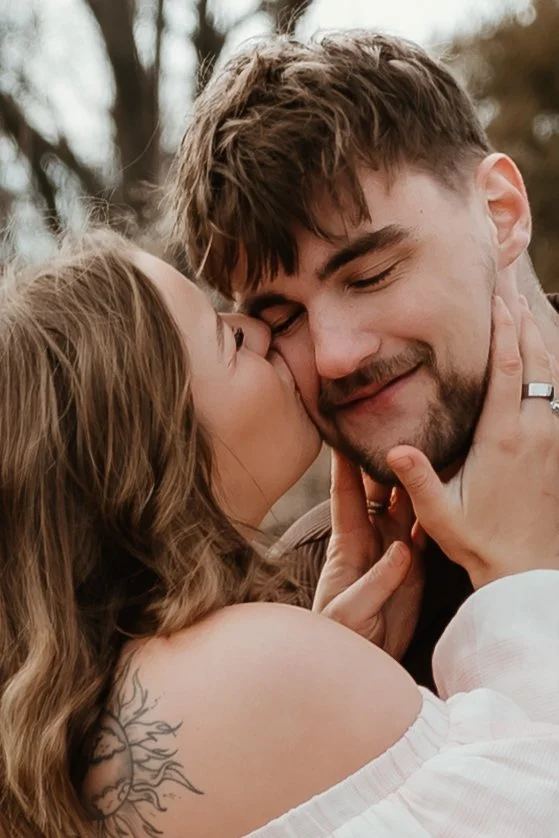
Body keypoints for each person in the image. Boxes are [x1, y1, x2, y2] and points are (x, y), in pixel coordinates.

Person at [2, 227, 559, 838]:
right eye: (227, 338)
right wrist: (519, 572)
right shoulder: (251, 668)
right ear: (149, 448)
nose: (262, 332)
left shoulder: (64, 727)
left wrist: (343, 675)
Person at [170, 30, 559, 687]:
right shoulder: (303, 610)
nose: (334, 357)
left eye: (371, 275)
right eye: (282, 318)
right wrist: (342, 708)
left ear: (500, 212)